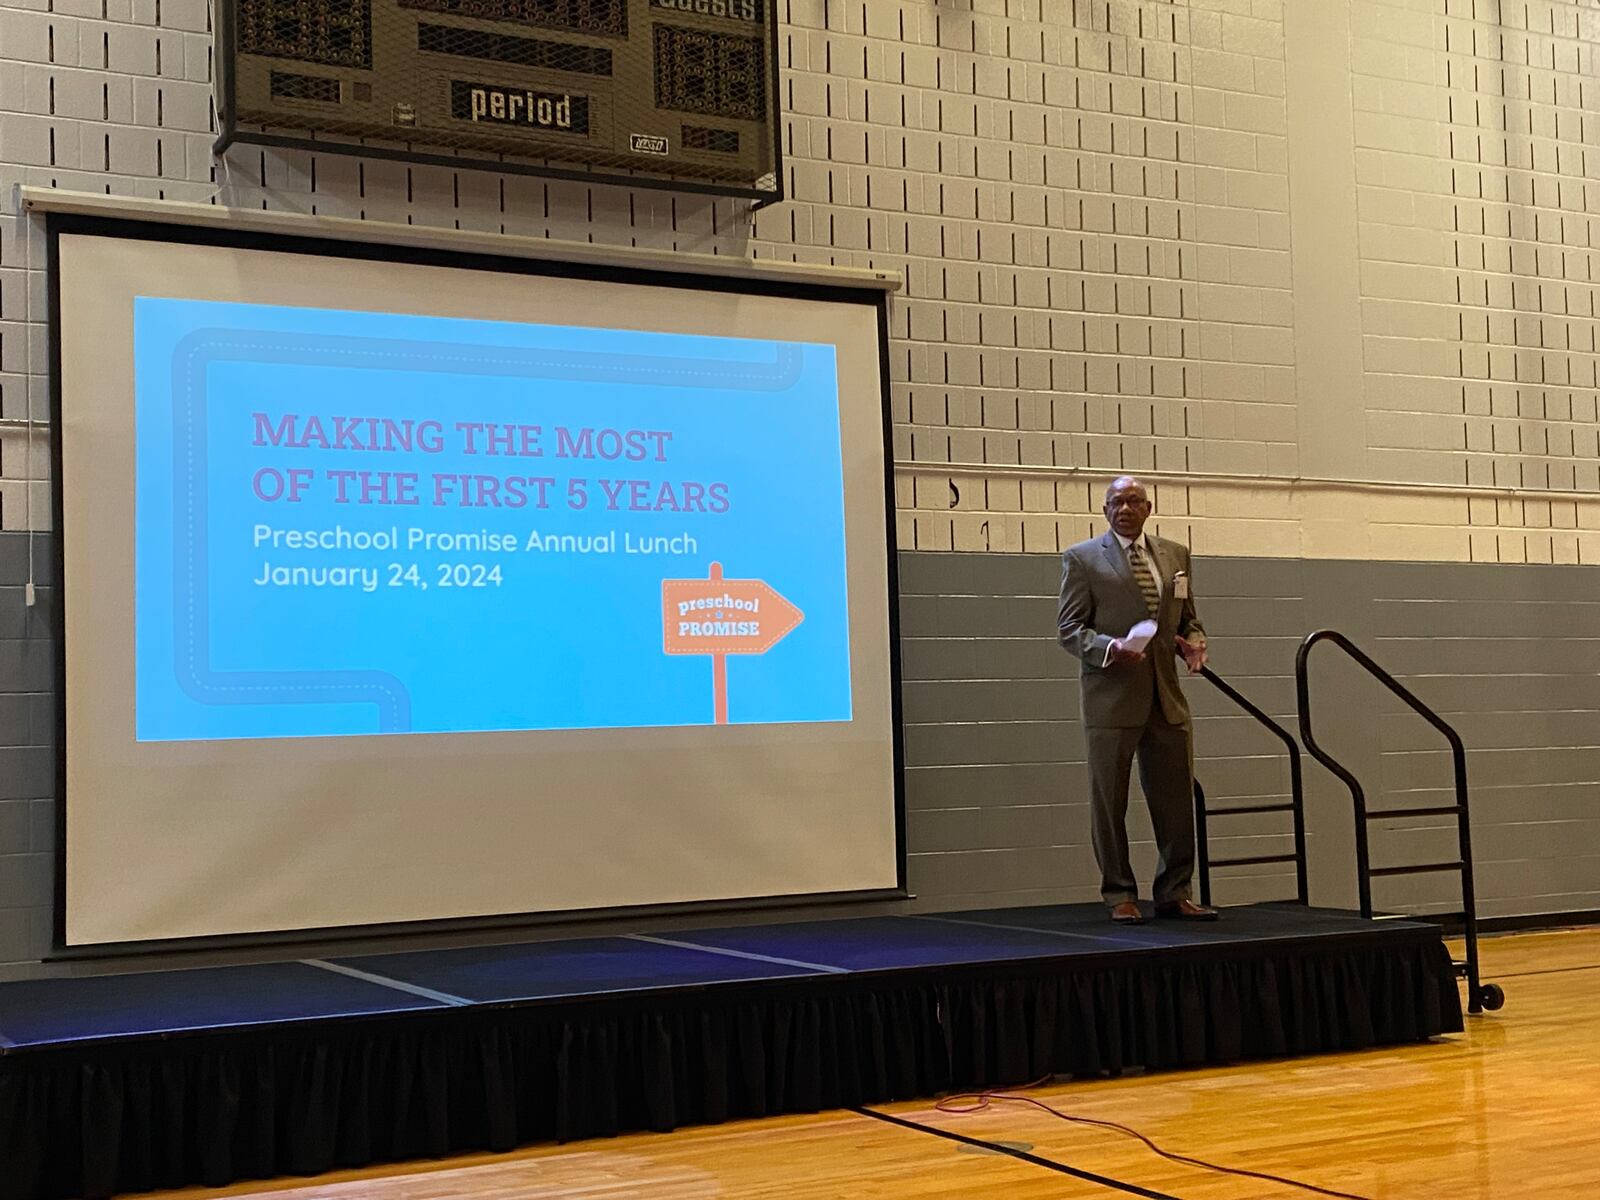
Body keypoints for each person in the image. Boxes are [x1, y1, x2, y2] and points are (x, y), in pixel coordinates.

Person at [1057, 476, 1218, 924]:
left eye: (1132, 501)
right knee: (1110, 802)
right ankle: (1119, 893)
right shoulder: (1083, 559)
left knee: (1176, 799)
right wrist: (1110, 649)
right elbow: (1069, 630)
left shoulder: (1175, 556)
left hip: (1167, 697)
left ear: (1148, 508)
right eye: (1115, 502)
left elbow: (1189, 620)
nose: (1124, 508)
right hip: (1111, 699)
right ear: (1105, 511)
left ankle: (1175, 891)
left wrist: (1195, 641)